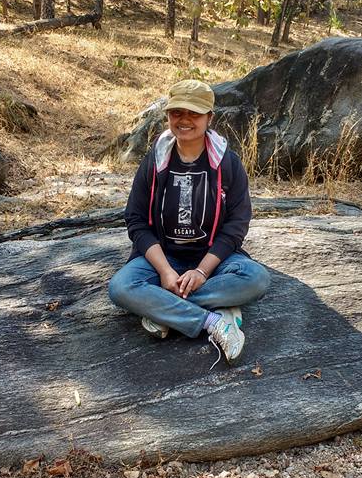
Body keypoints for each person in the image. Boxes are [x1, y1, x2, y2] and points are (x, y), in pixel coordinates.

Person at [108, 79, 270, 366]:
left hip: (212, 260)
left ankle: (161, 309)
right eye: (176, 112)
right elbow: (136, 220)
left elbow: (236, 224)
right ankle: (214, 319)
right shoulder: (155, 160)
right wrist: (166, 271)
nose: (184, 120)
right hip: (163, 258)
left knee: (256, 278)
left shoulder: (227, 163)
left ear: (210, 117)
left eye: (194, 113)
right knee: (121, 287)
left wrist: (202, 272)